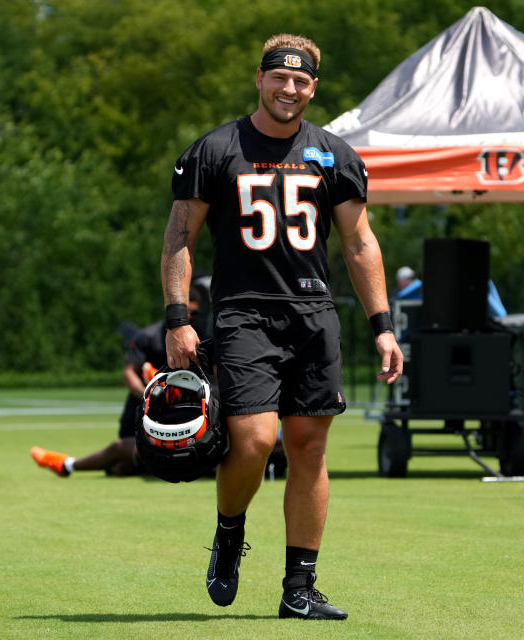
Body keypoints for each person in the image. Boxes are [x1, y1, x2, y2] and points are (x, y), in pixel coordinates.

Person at [161, 33, 403, 621]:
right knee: (253, 440)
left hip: (313, 314)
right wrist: (178, 320)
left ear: (313, 88)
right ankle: (229, 530)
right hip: (243, 311)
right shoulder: (214, 149)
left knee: (309, 448)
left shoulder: (335, 153)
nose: (289, 89)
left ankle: (299, 588)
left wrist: (384, 326)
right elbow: (179, 237)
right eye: (280, 78)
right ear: (260, 79)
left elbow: (359, 242)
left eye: (301, 81)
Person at [30, 296, 202, 477]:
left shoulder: (201, 339)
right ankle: (68, 465)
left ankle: (66, 465)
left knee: (121, 462)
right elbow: (129, 373)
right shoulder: (147, 337)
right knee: (122, 460)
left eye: (195, 312)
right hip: (142, 416)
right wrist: (151, 394)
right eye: (185, 310)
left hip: (180, 426)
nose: (190, 316)